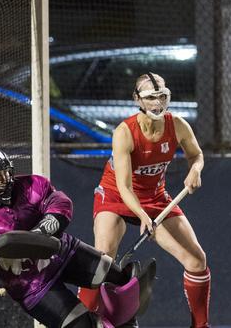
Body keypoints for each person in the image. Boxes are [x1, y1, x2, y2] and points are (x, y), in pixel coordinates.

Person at [0, 141, 156, 328]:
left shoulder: (32, 185)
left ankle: (126, 320)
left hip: (66, 252)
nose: (5, 180)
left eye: (6, 172)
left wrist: (42, 231)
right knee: (83, 326)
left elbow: (60, 202)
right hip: (33, 286)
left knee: (121, 278)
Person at [78, 73, 210, 328]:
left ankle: (201, 325)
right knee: (103, 258)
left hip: (156, 197)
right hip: (116, 195)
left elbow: (196, 155)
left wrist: (195, 169)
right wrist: (142, 217)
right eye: (151, 97)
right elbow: (124, 187)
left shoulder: (178, 125)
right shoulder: (124, 132)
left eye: (163, 96)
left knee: (197, 261)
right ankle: (79, 321)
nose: (158, 102)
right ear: (137, 100)